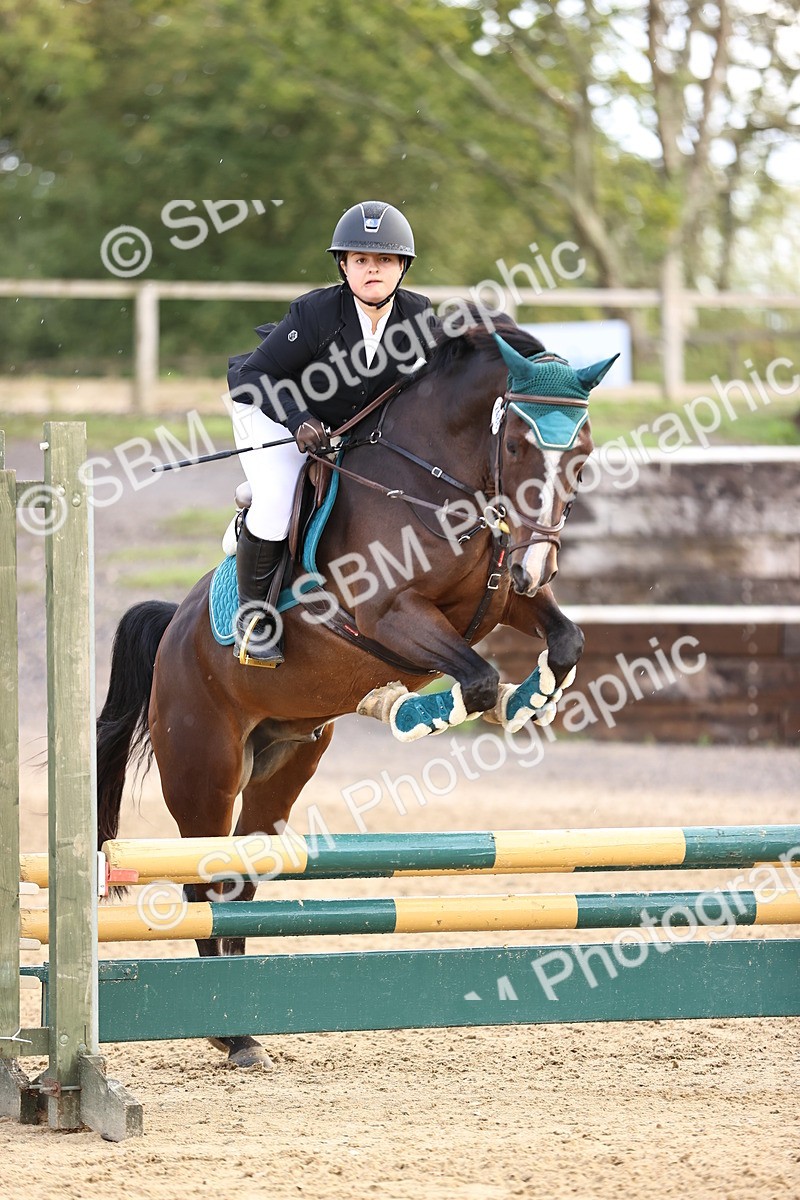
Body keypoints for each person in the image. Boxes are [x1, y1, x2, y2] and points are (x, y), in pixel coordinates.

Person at [229, 200, 439, 667]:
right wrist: (297, 420)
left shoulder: (419, 316)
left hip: (338, 425)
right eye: (361, 260)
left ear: (401, 268)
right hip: (269, 409)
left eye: (384, 260)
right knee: (278, 497)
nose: (372, 270)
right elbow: (253, 378)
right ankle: (255, 619)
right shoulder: (315, 313)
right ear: (343, 266)